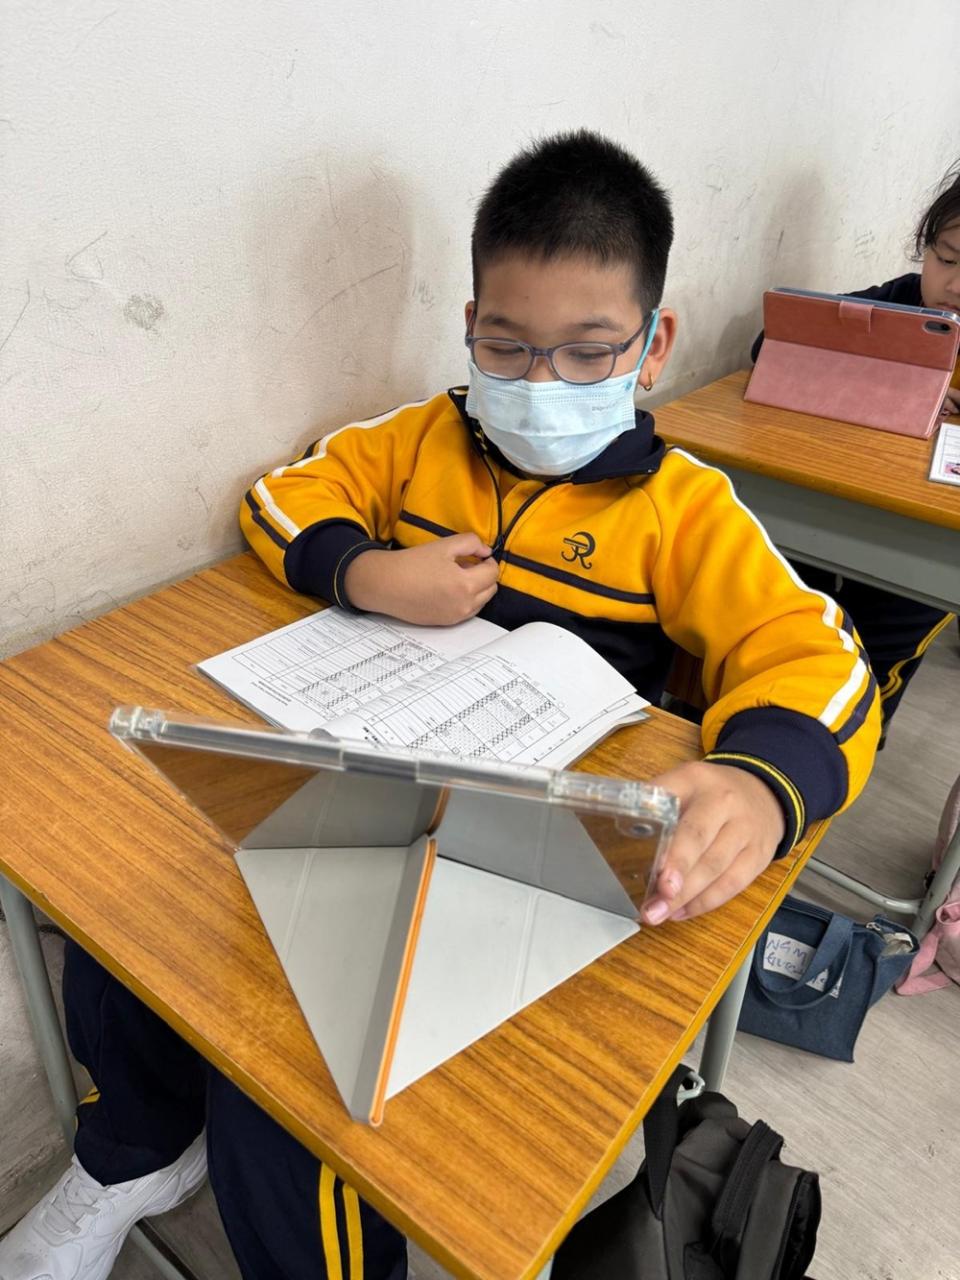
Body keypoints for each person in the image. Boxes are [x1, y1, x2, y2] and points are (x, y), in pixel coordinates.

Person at [0, 131, 879, 1280]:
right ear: (469, 325)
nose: (539, 383)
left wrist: (758, 781)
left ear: (654, 343)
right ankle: (135, 1153)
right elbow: (287, 493)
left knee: (294, 1086)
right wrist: (367, 571)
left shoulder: (684, 508)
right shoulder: (420, 441)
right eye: (507, 346)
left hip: (533, 857)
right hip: (369, 783)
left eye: (587, 352)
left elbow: (820, 656)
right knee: (132, 920)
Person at [752, 164, 960, 733]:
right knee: (788, 624)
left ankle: (861, 734)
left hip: (928, 543)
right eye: (946, 259)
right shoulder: (901, 306)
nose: (955, 285)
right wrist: (899, 383)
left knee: (875, 664)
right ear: (925, 248)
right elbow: (774, 343)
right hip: (837, 506)